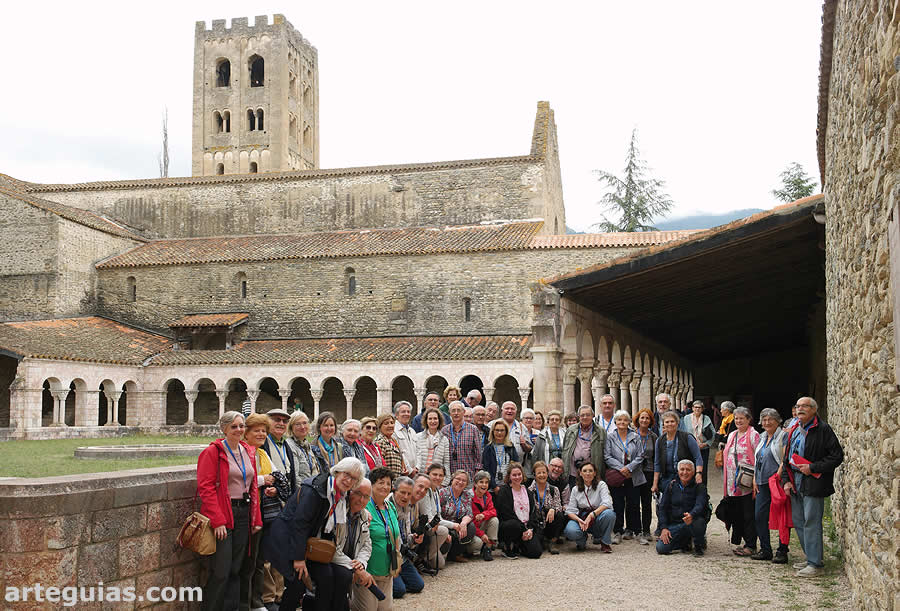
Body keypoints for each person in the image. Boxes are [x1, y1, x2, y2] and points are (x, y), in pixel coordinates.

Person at [264, 457, 364, 611]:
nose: (349, 480)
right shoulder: (315, 490)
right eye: (347, 474)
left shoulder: (341, 494)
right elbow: (299, 524)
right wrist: (298, 559)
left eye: (354, 479)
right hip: (287, 540)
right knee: (296, 585)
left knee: (327, 577)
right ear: (337, 471)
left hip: (308, 544)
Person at [197, 411, 263, 611]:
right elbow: (206, 488)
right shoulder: (213, 452)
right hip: (225, 514)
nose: (239, 430)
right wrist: (218, 521)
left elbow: (252, 487)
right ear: (224, 429)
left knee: (237, 568)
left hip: (243, 512)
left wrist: (255, 518)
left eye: (241, 426)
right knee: (221, 571)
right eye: (234, 426)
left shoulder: (247, 450)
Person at [781, 397, 844, 577]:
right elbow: (787, 457)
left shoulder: (823, 429)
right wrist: (786, 480)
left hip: (814, 483)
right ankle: (811, 557)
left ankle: (815, 564)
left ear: (813, 410)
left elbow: (837, 456)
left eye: (804, 406)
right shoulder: (794, 428)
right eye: (797, 406)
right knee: (799, 521)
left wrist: (813, 467)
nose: (800, 409)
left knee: (811, 521)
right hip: (795, 482)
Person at [240, 413, 282, 611]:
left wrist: (272, 485)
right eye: (256, 430)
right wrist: (265, 480)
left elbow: (276, 476)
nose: (261, 434)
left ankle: (256, 602)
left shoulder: (262, 454)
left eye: (264, 431)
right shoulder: (243, 452)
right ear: (246, 433)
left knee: (258, 559)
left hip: (262, 512)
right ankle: (246, 603)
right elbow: (240, 481)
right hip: (246, 513)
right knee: (247, 561)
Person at [353, 467, 401, 611]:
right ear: (372, 484)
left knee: (386, 609)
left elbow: (395, 535)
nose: (385, 486)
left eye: (388, 483)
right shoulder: (364, 506)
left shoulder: (390, 506)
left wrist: (397, 559)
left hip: (387, 571)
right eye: (381, 482)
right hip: (368, 571)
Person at [752, 408, 790, 563]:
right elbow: (757, 459)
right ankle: (765, 549)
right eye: (764, 420)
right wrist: (755, 478)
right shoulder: (762, 437)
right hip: (761, 482)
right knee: (760, 516)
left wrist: (780, 473)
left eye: (770, 419)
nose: (767, 422)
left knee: (782, 517)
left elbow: (786, 456)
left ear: (777, 420)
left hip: (777, 482)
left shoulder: (783, 436)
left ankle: (782, 550)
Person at [723, 406, 760, 557]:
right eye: (736, 418)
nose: (738, 421)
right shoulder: (732, 434)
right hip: (733, 481)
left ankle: (751, 545)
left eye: (741, 419)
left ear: (748, 419)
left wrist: (756, 480)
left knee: (748, 513)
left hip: (747, 482)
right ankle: (744, 542)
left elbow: (759, 458)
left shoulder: (754, 434)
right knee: (737, 512)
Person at [604, 409, 644, 544]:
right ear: (615, 422)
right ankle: (618, 531)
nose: (622, 422)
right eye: (619, 420)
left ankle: (635, 530)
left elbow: (640, 455)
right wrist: (621, 468)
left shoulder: (635, 437)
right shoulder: (610, 437)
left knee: (633, 503)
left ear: (629, 422)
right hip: (617, 474)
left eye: (625, 420)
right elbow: (607, 456)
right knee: (618, 504)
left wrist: (629, 467)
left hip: (633, 474)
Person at [333, 479, 374, 606]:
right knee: (344, 575)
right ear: (350, 492)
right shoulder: (338, 512)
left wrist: (361, 563)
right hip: (334, 560)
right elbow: (333, 548)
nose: (361, 500)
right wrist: (355, 567)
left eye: (366, 497)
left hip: (352, 563)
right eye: (358, 494)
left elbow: (367, 545)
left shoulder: (364, 515)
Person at [656, 460, 708, 556]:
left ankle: (698, 544)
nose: (684, 472)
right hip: (675, 524)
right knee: (661, 548)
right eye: (682, 469)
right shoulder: (671, 485)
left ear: (693, 472)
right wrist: (663, 528)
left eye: (688, 470)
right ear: (678, 471)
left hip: (692, 522)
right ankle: (685, 542)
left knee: (698, 522)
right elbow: (662, 508)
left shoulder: (699, 487)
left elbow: (700, 505)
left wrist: (691, 515)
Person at [493, 462, 543, 559]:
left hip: (526, 527)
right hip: (511, 527)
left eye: (519, 474)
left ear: (522, 475)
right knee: (513, 525)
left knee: (536, 553)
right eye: (514, 475)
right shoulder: (504, 491)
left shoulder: (528, 492)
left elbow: (532, 513)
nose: (517, 477)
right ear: (509, 476)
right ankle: (507, 547)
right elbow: (506, 514)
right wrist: (523, 529)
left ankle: (519, 546)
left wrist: (530, 529)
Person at [563, 461, 615, 552]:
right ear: (580, 473)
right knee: (570, 530)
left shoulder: (601, 485)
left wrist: (592, 515)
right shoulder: (575, 489)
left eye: (590, 471)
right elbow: (570, 510)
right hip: (582, 518)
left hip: (597, 516)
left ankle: (605, 542)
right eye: (585, 471)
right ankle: (582, 539)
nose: (588, 473)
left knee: (609, 514)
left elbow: (607, 503)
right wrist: (578, 520)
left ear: (595, 473)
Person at [388, 476, 425, 599]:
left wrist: (414, 538)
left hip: (402, 556)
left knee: (418, 586)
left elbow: (406, 533)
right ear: (394, 490)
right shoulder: (387, 505)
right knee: (399, 591)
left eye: (409, 493)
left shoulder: (408, 506)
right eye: (402, 492)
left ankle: (397, 579)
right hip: (390, 556)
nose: (405, 497)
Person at [415, 466, 451, 570]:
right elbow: (430, 518)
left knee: (440, 565)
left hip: (433, 528)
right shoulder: (425, 492)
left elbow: (438, 516)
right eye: (434, 474)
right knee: (444, 530)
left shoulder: (436, 491)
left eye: (441, 475)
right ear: (428, 474)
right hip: (424, 528)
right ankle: (420, 559)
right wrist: (455, 525)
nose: (437, 478)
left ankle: (427, 557)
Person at [562, 405, 607, 487]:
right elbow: (565, 449)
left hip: (591, 474)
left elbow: (604, 452)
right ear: (579, 417)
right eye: (582, 415)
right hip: (573, 473)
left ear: (593, 416)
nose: (585, 417)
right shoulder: (571, 430)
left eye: (588, 415)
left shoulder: (601, 431)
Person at [438, 470, 476, 562]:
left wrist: (463, 523)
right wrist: (450, 525)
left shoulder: (467, 495)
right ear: (452, 479)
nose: (460, 482)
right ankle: (444, 553)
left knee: (470, 526)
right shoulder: (442, 493)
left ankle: (455, 554)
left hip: (457, 526)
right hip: (444, 524)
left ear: (467, 484)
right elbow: (437, 514)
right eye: (458, 479)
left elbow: (469, 513)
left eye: (464, 481)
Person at [441, 400, 483, 484]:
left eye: (458, 410)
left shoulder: (473, 429)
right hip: (450, 476)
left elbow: (478, 452)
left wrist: (477, 471)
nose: (456, 413)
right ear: (449, 412)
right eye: (453, 411)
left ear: (463, 412)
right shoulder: (444, 431)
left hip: (468, 475)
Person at [633, 408, 658, 545]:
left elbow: (656, 458)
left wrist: (655, 478)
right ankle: (636, 530)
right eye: (642, 418)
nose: (644, 420)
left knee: (647, 503)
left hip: (648, 471)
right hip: (635, 472)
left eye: (647, 418)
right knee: (634, 502)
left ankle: (646, 530)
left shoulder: (653, 436)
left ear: (650, 421)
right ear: (638, 420)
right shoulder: (632, 435)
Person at [528, 461, 564, 554]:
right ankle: (542, 540)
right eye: (539, 473)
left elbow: (559, 506)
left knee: (559, 514)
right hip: (536, 524)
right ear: (534, 475)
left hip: (549, 523)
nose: (542, 475)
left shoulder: (554, 489)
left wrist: (553, 509)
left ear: (547, 474)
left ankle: (553, 541)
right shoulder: (529, 491)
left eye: (544, 472)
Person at [680, 400, 715, 485]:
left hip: (703, 448)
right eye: (695, 407)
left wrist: (706, 444)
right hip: (690, 449)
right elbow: (682, 432)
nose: (697, 409)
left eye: (699, 407)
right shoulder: (686, 418)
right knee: (689, 469)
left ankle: (702, 490)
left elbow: (713, 433)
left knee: (703, 470)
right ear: (692, 408)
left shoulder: (706, 418)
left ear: (702, 409)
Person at [286, 411, 319, 491]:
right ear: (291, 427)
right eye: (297, 424)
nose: (302, 427)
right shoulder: (290, 445)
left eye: (305, 423)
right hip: (302, 493)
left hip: (312, 489)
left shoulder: (306, 444)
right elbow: (295, 477)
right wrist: (306, 492)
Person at [415, 408, 450, 484]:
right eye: (430, 419)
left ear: (439, 420)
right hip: (420, 479)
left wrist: (445, 482)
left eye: (435, 419)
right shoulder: (417, 437)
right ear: (426, 421)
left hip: (437, 481)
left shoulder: (444, 440)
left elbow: (446, 462)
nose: (433, 421)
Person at [470, 471, 499, 561]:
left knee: (494, 520)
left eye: (486, 482)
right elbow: (471, 522)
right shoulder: (469, 496)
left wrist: (483, 515)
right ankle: (466, 551)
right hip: (471, 529)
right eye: (481, 482)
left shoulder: (487, 496)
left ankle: (488, 548)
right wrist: (481, 534)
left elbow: (493, 511)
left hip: (481, 525)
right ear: (475, 483)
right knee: (477, 544)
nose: (484, 485)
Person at [482, 419, 518, 491]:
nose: (499, 433)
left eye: (502, 430)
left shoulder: (510, 447)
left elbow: (516, 465)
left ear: (506, 432)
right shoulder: (488, 448)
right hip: (492, 488)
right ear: (492, 432)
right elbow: (486, 469)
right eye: (497, 430)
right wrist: (494, 486)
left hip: (508, 487)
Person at [392, 401, 419, 478]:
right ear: (396, 415)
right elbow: (399, 452)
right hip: (404, 473)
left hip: (415, 472)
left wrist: (417, 468)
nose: (406, 414)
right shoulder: (393, 431)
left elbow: (418, 451)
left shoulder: (412, 431)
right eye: (403, 412)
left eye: (408, 412)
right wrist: (410, 470)